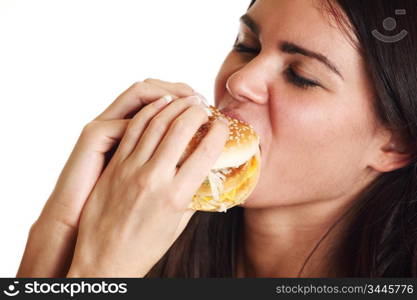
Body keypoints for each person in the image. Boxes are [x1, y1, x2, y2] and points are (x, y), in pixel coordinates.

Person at [17, 0, 417, 278]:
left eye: (301, 77)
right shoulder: (129, 226)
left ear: (394, 144)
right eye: (247, 46)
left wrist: (101, 273)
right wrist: (58, 231)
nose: (238, 81)